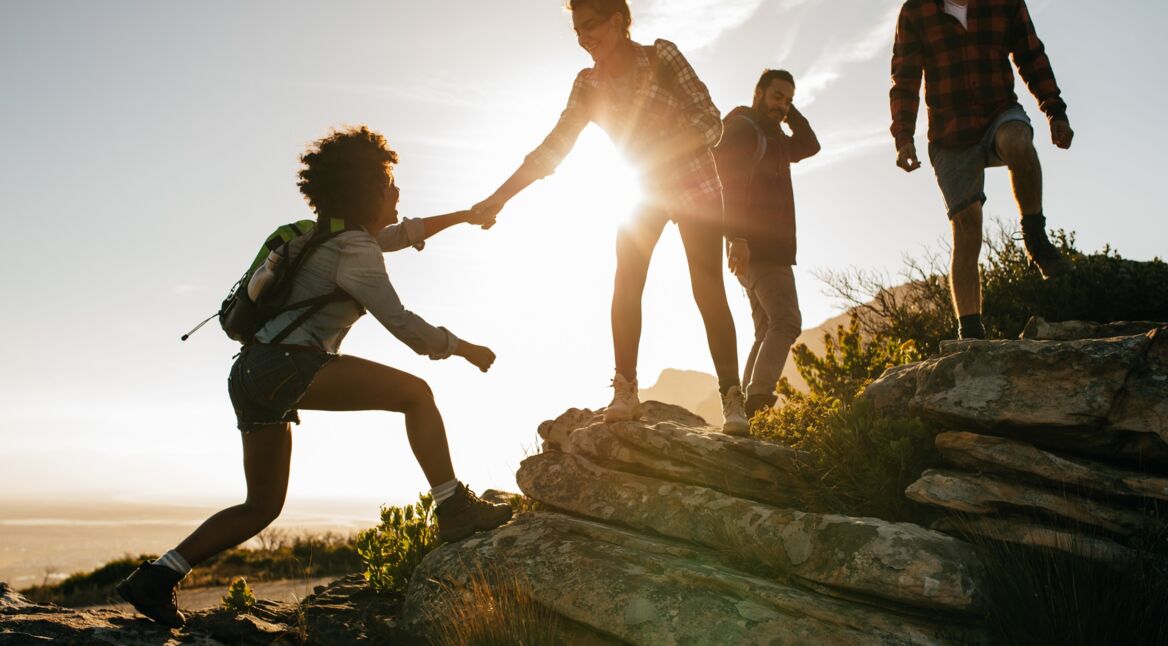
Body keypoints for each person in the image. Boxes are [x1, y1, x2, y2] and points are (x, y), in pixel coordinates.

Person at [115, 126, 512, 628]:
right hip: (289, 366)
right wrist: (463, 348)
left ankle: (156, 576)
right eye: (391, 188)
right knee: (417, 394)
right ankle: (453, 507)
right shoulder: (355, 249)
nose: (397, 196)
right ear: (367, 192)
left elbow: (399, 235)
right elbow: (403, 324)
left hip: (251, 373)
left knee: (260, 507)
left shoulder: (319, 235)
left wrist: (463, 216)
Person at [472, 0, 748, 433]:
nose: (584, 37)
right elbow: (554, 147)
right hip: (642, 190)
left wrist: (663, 149)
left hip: (694, 183)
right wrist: (500, 197)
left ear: (618, 20)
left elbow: (710, 121)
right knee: (627, 280)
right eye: (577, 31)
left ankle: (733, 398)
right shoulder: (588, 84)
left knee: (707, 286)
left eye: (591, 25)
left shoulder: (662, 56)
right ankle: (625, 388)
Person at [890, 0, 1075, 340]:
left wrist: (1054, 110)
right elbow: (905, 77)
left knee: (1019, 142)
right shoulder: (916, 11)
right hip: (950, 133)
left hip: (999, 112)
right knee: (967, 226)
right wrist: (903, 135)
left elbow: (1031, 55)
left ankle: (1035, 238)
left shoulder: (1004, 3)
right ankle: (971, 332)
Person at [716, 69, 820, 418]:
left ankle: (745, 408)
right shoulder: (745, 129)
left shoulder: (774, 137)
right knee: (787, 321)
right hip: (757, 245)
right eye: (777, 97)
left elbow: (810, 145)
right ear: (758, 92)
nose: (783, 105)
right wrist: (738, 237)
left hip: (761, 246)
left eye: (788, 99)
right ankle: (757, 400)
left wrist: (790, 113)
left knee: (766, 329)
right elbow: (730, 184)